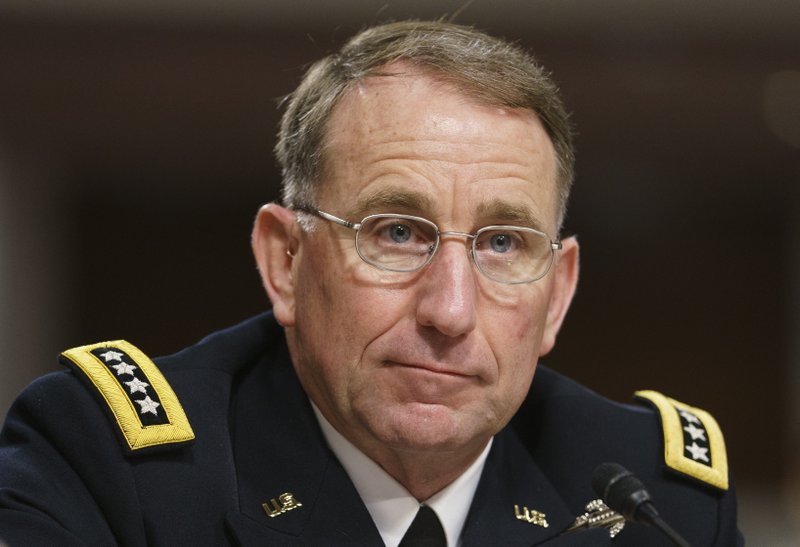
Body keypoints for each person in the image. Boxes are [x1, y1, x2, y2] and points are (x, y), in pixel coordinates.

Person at [0, 20, 742, 546]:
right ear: (284, 260)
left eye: (504, 243)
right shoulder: (113, 466)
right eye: (396, 232)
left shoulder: (655, 496)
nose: (450, 310)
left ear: (560, 292)